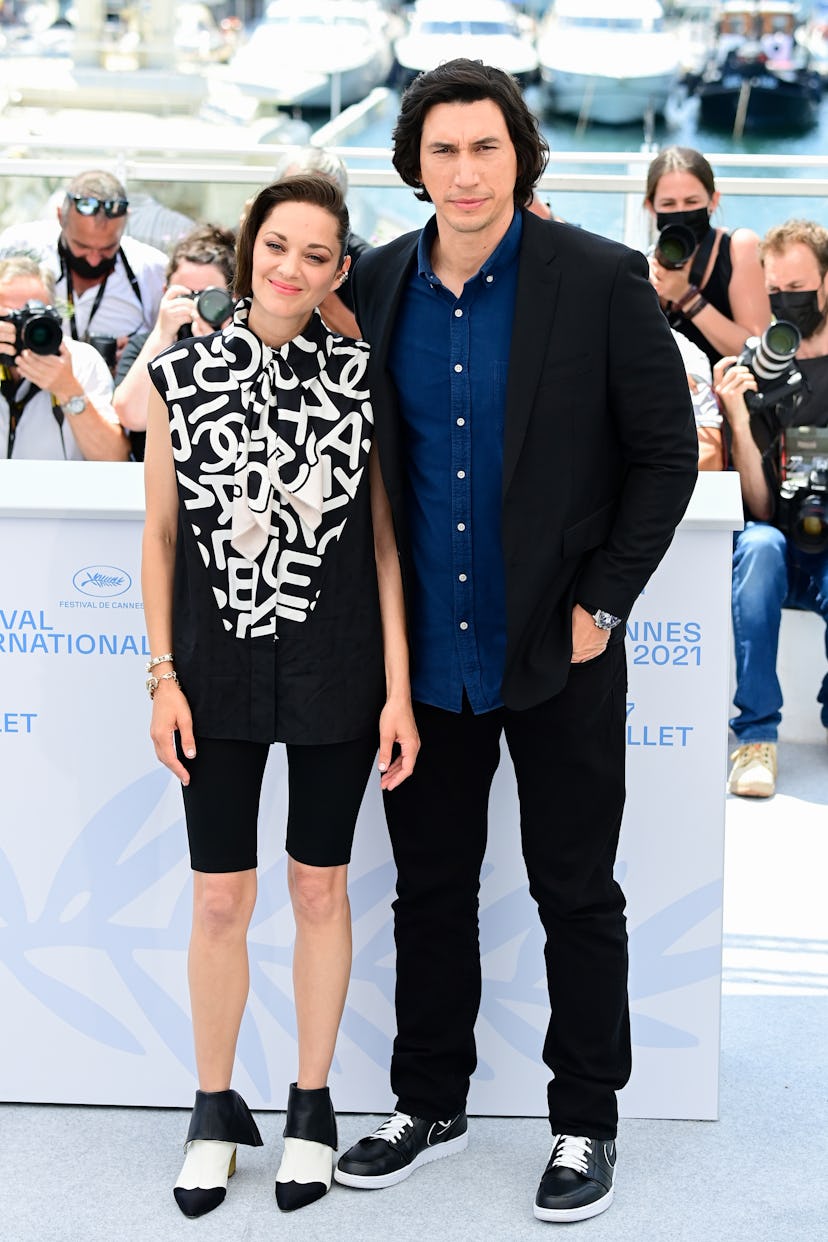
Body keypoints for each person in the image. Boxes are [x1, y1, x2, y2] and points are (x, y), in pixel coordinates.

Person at [331, 59, 699, 1224]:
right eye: (443, 150)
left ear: (520, 156)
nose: (466, 171)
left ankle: (586, 1119)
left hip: (562, 649)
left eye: (485, 147)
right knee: (428, 891)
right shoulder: (378, 282)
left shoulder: (596, 278)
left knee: (575, 893)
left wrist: (602, 606)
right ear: (415, 165)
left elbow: (666, 454)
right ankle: (429, 1099)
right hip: (424, 659)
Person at [141, 175, 418, 1218]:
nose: (291, 268)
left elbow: (387, 545)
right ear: (251, 250)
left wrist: (398, 689)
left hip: (337, 659)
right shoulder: (181, 370)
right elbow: (162, 537)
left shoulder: (362, 376)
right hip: (211, 667)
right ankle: (213, 1107)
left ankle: (311, 1103)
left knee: (318, 885)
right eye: (277, 247)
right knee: (220, 894)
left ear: (340, 269)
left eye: (316, 254)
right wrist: (162, 675)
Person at [717, 218, 828, 798]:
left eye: (800, 287)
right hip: (778, 547)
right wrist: (738, 416)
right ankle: (756, 739)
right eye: (777, 289)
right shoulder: (764, 368)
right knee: (757, 546)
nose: (789, 301)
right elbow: (757, 510)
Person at [0, 169, 167, 365]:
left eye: (108, 248)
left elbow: (171, 340)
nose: (94, 260)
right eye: (82, 246)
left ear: (125, 223)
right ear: (60, 217)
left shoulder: (152, 269)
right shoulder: (18, 246)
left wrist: (140, 353)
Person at [113, 223, 236, 458]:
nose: (197, 305)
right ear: (165, 291)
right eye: (186, 294)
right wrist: (162, 335)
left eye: (208, 296)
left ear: (233, 297)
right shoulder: (145, 345)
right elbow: (131, 416)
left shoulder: (247, 349)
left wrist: (218, 350)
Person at [645, 146, 770, 368]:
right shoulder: (644, 263)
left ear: (713, 201)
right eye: (668, 204)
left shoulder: (738, 248)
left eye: (692, 202)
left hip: (730, 393)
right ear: (651, 207)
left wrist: (687, 297)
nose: (681, 211)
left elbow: (756, 350)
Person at [0, 255, 128, 461]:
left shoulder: (81, 360)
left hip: (60, 492)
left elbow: (114, 459)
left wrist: (67, 389)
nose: (24, 330)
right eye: (12, 318)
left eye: (32, 317)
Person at [272, 145, 371, 339]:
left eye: (319, 199)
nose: (304, 210)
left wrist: (320, 291)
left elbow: (373, 343)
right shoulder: (249, 245)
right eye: (292, 195)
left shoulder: (367, 264)